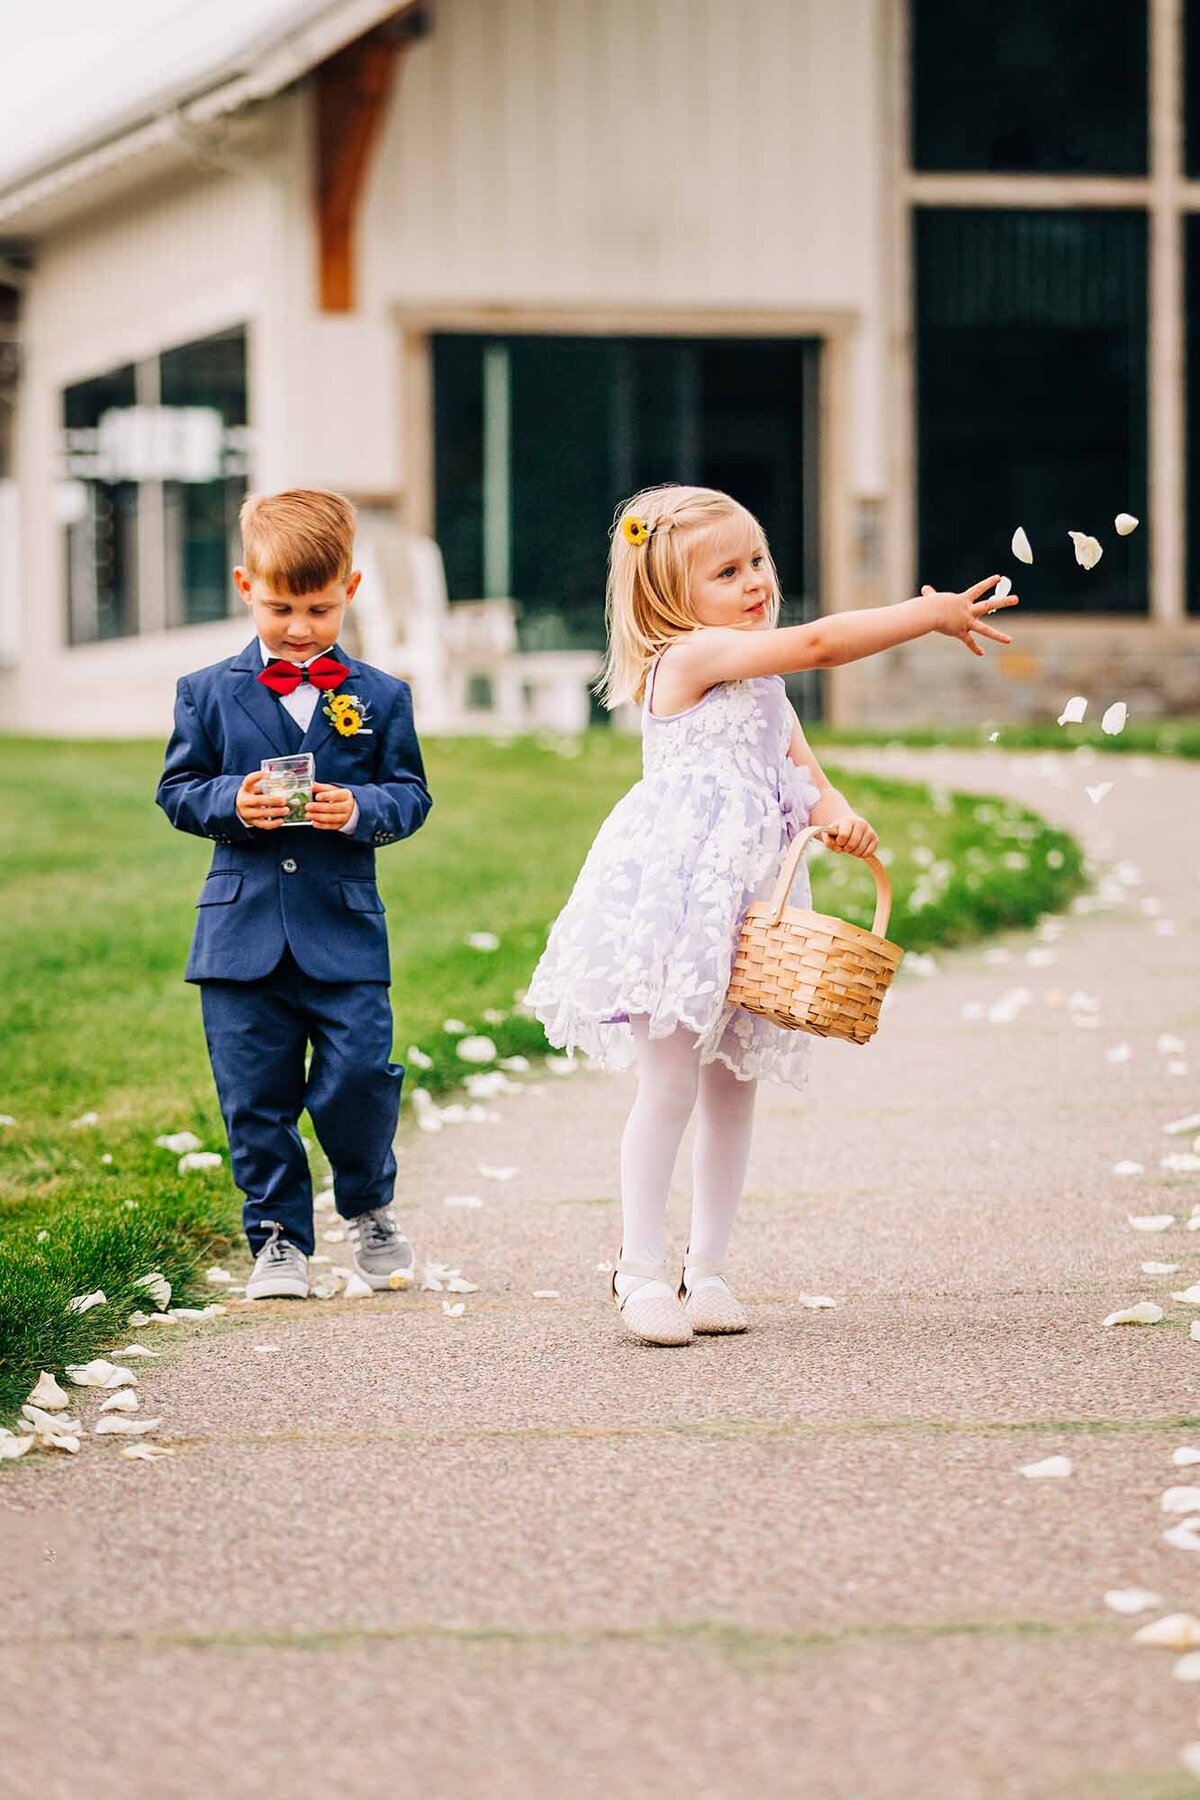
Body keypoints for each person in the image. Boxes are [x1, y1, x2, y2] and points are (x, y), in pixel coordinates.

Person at [526, 483, 1017, 1346]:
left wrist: (839, 816)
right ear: (674, 596)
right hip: (683, 906)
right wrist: (926, 611)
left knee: (734, 1085)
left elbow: (805, 775)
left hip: (753, 909)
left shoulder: (763, 686)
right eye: (727, 570)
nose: (754, 580)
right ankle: (639, 1266)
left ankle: (707, 1267)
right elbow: (825, 641)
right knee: (671, 1079)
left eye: (757, 560)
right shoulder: (689, 659)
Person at [156, 488, 431, 1301]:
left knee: (357, 1078)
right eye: (281, 608)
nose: (301, 628)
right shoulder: (205, 691)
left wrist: (365, 810)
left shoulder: (380, 696)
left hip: (343, 934)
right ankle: (276, 1236)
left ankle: (369, 1202)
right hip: (239, 937)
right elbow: (178, 789)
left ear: (350, 588)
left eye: (318, 608)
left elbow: (410, 792)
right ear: (246, 588)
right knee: (254, 1094)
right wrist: (231, 801)